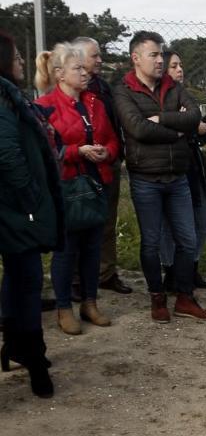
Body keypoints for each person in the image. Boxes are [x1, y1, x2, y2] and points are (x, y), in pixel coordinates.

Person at [114, 31, 206, 323]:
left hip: (178, 177)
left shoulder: (172, 85)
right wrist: (179, 130)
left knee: (187, 239)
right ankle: (157, 298)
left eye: (161, 54)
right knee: (151, 241)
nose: (160, 60)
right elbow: (138, 129)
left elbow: (195, 114)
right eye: (154, 55)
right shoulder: (123, 90)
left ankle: (184, 297)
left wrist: (165, 119)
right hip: (146, 179)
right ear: (136, 58)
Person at [36, 43, 119, 335]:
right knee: (67, 250)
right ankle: (63, 308)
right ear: (59, 74)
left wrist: (105, 153)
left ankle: (90, 303)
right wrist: (77, 151)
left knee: (93, 248)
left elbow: (111, 139)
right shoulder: (46, 105)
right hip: (66, 188)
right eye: (77, 69)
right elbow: (48, 149)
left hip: (96, 184)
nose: (85, 73)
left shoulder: (95, 102)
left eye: (85, 68)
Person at [0, 31, 62, 397]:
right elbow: (6, 153)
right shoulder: (3, 98)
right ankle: (34, 357)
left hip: (12, 206)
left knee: (18, 277)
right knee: (27, 280)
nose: (23, 62)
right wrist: (30, 197)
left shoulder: (10, 95)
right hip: (14, 207)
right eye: (17, 57)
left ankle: (16, 345)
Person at [72, 37, 132, 296]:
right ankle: (76, 279)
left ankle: (106, 273)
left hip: (108, 162)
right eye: (94, 55)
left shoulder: (103, 88)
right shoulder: (69, 90)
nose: (100, 59)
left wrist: (112, 151)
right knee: (77, 223)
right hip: (79, 167)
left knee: (107, 221)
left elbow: (113, 126)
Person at [159, 50, 206, 291]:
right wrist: (189, 125)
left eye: (181, 65)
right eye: (174, 66)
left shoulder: (187, 98)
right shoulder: (157, 100)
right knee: (168, 225)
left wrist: (200, 129)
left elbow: (198, 137)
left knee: (204, 221)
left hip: (193, 168)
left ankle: (191, 268)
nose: (180, 69)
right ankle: (170, 271)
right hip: (168, 167)